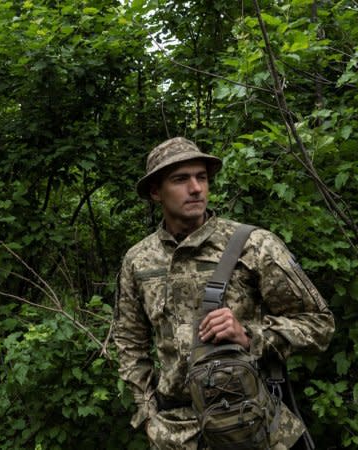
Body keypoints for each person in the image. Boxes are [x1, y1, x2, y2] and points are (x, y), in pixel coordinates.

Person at [113, 137, 335, 449]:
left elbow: (319, 324)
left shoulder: (254, 245)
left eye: (201, 177)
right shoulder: (138, 260)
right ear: (155, 192)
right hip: (175, 436)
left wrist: (249, 335)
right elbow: (129, 344)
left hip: (251, 427)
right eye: (180, 180)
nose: (196, 188)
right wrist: (148, 412)